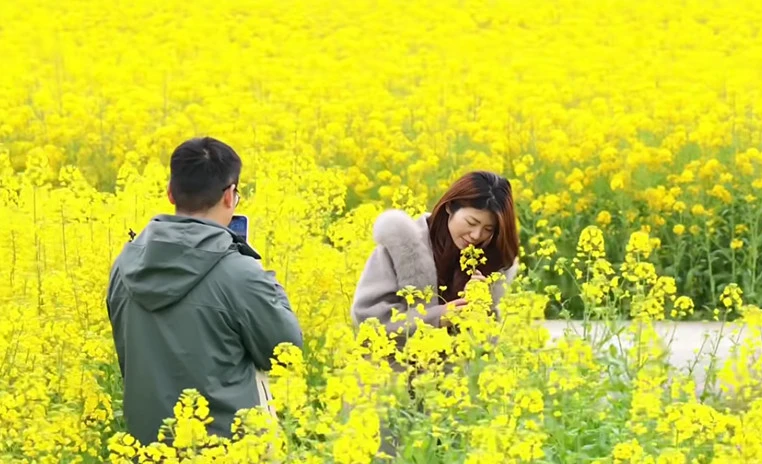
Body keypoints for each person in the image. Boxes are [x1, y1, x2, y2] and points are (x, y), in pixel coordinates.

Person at [106, 136, 303, 446]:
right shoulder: (240, 273)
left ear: (170, 193)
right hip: (230, 449)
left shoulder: (123, 266)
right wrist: (263, 281)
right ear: (229, 196)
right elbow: (286, 352)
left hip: (149, 449)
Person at [350, 170, 520, 356]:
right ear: (450, 207)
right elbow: (368, 317)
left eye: (488, 229)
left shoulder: (488, 261)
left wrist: (480, 306)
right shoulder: (401, 245)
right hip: (393, 375)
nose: (476, 235)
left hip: (454, 380)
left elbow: (485, 346)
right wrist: (438, 316)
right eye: (471, 222)